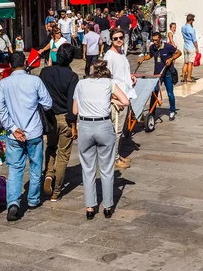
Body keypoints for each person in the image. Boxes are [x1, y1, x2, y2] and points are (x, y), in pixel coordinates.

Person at [0, 52, 53, 221]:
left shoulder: (4, 84)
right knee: (35, 165)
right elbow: (48, 103)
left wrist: (13, 128)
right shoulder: (35, 81)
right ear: (26, 63)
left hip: (14, 134)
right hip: (34, 131)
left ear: (10, 65)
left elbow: (0, 110)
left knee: (15, 169)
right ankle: (33, 199)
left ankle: (13, 202)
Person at [73, 61, 130, 219]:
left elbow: (74, 110)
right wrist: (111, 100)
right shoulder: (109, 83)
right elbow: (125, 101)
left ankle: (90, 207)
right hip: (103, 125)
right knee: (106, 168)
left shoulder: (81, 84)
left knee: (88, 169)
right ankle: (107, 206)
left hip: (85, 126)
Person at [39, 44, 79, 202]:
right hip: (65, 118)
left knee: (50, 147)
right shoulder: (72, 76)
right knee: (63, 155)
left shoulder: (45, 72)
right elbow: (72, 103)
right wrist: (74, 125)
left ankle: (49, 174)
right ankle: (56, 191)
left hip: (49, 117)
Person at [104, 28, 137, 169]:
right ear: (111, 40)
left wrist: (130, 78)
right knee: (116, 129)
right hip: (118, 97)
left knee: (121, 128)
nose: (119, 40)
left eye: (120, 38)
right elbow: (106, 79)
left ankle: (117, 154)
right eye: (116, 38)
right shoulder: (109, 56)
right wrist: (113, 97)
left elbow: (121, 73)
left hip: (125, 94)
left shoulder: (122, 53)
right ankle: (114, 158)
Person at [138, 32, 182, 121]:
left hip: (167, 73)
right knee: (154, 93)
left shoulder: (168, 47)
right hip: (157, 75)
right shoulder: (152, 47)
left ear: (160, 39)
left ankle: (172, 110)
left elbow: (179, 53)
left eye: (156, 40)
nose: (154, 42)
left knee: (170, 93)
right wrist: (143, 59)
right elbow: (150, 55)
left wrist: (171, 59)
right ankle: (151, 112)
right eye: (153, 40)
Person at [181, 14, 199, 83]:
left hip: (185, 46)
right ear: (191, 21)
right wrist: (197, 48)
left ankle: (183, 77)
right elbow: (194, 40)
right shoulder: (191, 29)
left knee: (185, 62)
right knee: (190, 63)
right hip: (191, 47)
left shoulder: (183, 28)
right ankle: (188, 77)